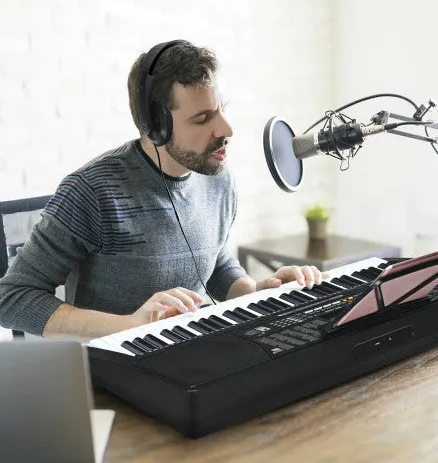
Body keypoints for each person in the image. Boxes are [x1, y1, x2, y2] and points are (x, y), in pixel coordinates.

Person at [0, 39, 327, 339]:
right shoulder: (91, 191)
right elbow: (12, 299)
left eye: (222, 109)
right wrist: (131, 325)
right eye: (202, 119)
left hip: (192, 355)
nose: (226, 129)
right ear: (156, 127)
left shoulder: (218, 178)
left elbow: (213, 262)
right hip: (113, 374)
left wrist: (257, 289)